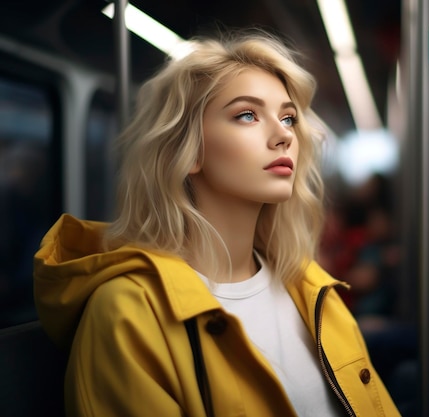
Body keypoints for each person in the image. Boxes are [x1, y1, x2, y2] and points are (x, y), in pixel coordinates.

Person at [33, 31, 401, 417]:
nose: (283, 136)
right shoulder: (128, 312)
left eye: (289, 117)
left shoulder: (309, 286)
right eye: (247, 114)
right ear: (188, 150)